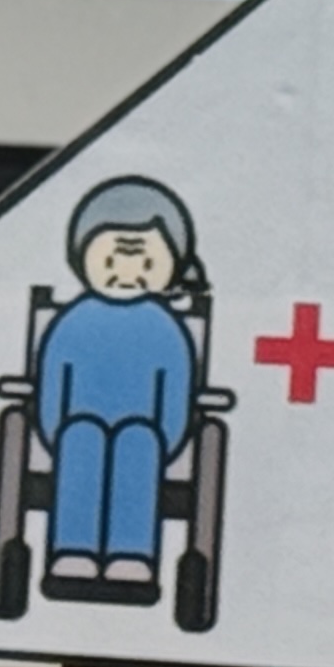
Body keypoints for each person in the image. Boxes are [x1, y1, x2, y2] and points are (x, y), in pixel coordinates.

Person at [30, 177, 205, 599]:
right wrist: (58, 430)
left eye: (144, 263)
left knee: (137, 441)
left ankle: (133, 555)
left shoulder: (167, 330)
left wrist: (163, 437)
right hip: (73, 431)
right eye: (111, 260)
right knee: (82, 436)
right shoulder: (72, 323)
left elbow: (177, 397)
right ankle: (71, 550)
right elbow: (51, 388)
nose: (127, 274)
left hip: (150, 437)